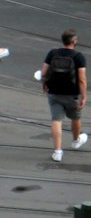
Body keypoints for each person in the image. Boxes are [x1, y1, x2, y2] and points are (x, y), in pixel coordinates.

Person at [40, 29, 89, 162]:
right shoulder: (79, 57)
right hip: (72, 94)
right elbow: (82, 79)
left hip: (54, 93)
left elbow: (43, 72)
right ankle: (76, 140)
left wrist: (45, 84)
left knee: (56, 120)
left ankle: (57, 152)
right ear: (74, 42)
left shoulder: (52, 53)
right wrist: (84, 96)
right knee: (75, 118)